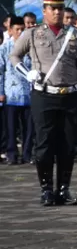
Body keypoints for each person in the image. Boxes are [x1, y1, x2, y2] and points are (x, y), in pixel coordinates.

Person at [10, 0, 77, 206]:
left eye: (60, 8)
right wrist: (26, 73)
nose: (57, 12)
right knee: (44, 144)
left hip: (70, 96)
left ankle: (63, 189)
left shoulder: (74, 34)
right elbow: (14, 55)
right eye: (52, 8)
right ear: (44, 11)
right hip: (44, 95)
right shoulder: (32, 33)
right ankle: (46, 189)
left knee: (67, 145)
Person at [0, 15, 33, 165]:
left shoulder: (31, 49)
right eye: (17, 29)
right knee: (11, 128)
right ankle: (12, 154)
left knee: (28, 127)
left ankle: (27, 154)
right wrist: (1, 92)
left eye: (22, 29)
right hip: (11, 94)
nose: (20, 32)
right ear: (10, 30)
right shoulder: (4, 48)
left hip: (28, 94)